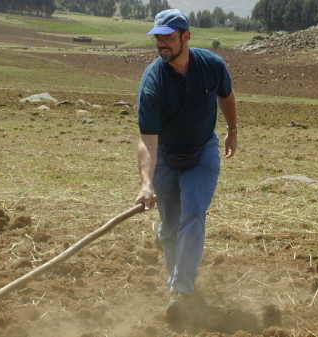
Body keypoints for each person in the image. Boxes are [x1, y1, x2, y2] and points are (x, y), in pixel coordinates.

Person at [135, 8, 237, 320]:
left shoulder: (211, 65)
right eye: (158, 38)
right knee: (170, 228)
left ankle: (182, 287)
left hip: (202, 153)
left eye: (168, 37)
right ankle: (177, 273)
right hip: (166, 157)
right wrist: (146, 183)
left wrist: (233, 130)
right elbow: (147, 140)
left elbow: (227, 95)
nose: (162, 44)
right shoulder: (152, 83)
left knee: (192, 214)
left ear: (185, 37)